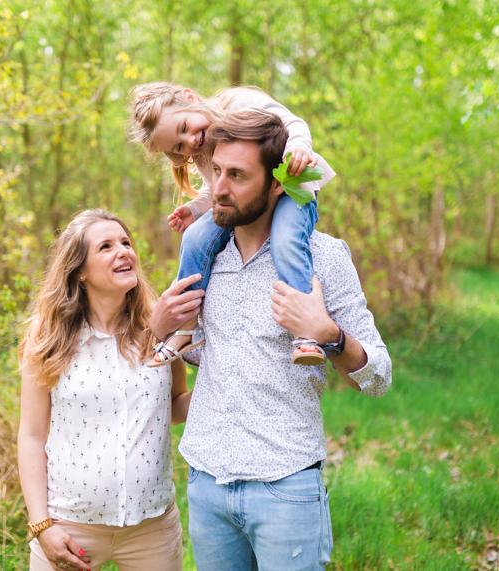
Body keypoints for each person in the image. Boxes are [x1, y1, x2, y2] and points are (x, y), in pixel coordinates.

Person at [149, 110, 393, 570]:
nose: (218, 188)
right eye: (216, 171)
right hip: (207, 482)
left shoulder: (324, 259)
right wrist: (159, 328)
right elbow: (203, 353)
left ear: (278, 183)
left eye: (237, 176)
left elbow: (379, 378)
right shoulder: (204, 256)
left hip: (286, 488)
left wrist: (330, 335)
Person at [17, 209, 191, 571]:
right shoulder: (49, 339)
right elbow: (32, 436)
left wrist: (225, 387)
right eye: (106, 246)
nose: (123, 251)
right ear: (80, 270)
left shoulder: (160, 328)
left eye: (126, 243)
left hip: (151, 528)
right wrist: (41, 526)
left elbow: (174, 405)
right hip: (69, 525)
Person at [128, 82, 337, 367]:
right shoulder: (200, 151)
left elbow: (293, 122)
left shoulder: (239, 102)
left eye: (185, 126)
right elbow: (214, 188)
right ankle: (187, 328)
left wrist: (299, 147)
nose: (189, 141)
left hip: (291, 188)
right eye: (178, 146)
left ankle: (305, 333)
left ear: (190, 98)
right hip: (244, 204)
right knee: (194, 239)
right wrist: (195, 209)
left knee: (286, 240)